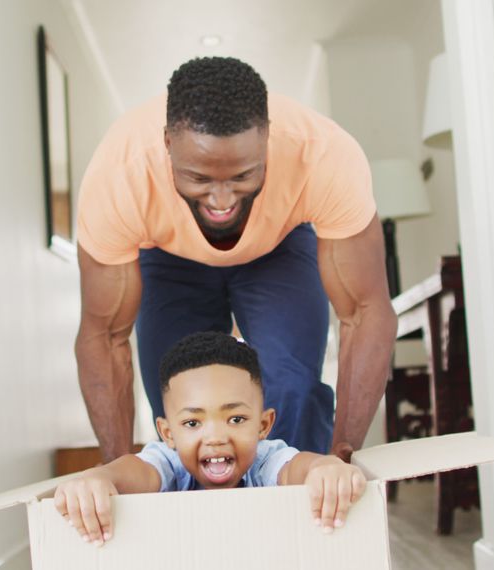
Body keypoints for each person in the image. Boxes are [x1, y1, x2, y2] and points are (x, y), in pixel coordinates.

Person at [75, 56, 397, 462]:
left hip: (278, 246)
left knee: (290, 386)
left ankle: (302, 511)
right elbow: (103, 336)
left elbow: (367, 312)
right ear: (168, 146)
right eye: (200, 179)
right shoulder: (118, 175)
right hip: (166, 254)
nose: (222, 201)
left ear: (267, 142)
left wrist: (343, 456)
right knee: (179, 402)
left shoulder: (324, 155)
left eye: (242, 176)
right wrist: (116, 470)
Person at [55, 332, 368, 546]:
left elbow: (294, 467)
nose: (216, 437)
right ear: (168, 434)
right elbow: (135, 471)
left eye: (236, 419)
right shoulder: (170, 462)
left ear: (263, 425)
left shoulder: (263, 459)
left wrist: (323, 468)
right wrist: (99, 476)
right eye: (193, 422)